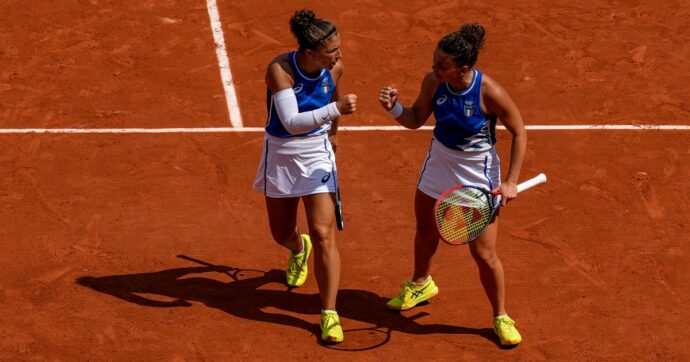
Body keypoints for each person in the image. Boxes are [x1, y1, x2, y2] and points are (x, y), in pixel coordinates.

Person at [378, 23, 526, 347]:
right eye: (434, 60)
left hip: (478, 174)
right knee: (425, 230)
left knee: (484, 254)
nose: (434, 67)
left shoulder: (490, 91)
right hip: (440, 165)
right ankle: (421, 283)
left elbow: (519, 131)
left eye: (442, 64)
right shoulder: (434, 82)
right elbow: (416, 118)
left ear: (464, 68)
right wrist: (394, 109)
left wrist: (511, 181)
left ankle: (501, 316)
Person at [252, 9, 357, 344]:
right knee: (281, 231)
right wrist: (335, 112)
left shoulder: (335, 67)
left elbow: (334, 93)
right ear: (310, 52)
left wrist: (335, 133)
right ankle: (298, 249)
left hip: (316, 156)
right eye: (332, 50)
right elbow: (290, 122)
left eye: (339, 48)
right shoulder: (279, 70)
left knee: (325, 234)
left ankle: (329, 313)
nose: (339, 55)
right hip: (281, 153)